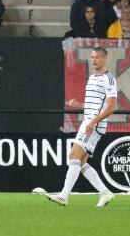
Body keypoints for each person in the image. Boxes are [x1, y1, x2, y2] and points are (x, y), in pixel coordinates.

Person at [47, 47, 117, 207]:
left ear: (104, 59)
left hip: (94, 123)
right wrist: (78, 104)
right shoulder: (92, 77)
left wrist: (93, 122)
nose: (94, 60)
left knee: (73, 156)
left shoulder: (109, 79)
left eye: (97, 57)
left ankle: (64, 196)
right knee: (82, 161)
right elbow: (95, 105)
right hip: (90, 121)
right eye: (92, 57)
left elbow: (112, 106)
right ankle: (105, 192)